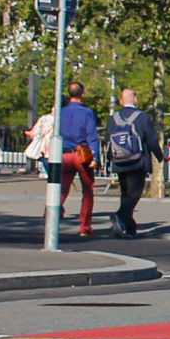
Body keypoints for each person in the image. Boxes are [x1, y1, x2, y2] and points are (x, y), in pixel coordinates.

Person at [103, 88, 163, 237]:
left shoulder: (113, 119)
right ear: (135, 100)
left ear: (121, 101)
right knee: (135, 194)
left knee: (126, 194)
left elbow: (107, 141)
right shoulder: (142, 117)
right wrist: (159, 156)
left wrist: (111, 159)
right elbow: (151, 139)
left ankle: (130, 228)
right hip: (137, 161)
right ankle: (120, 216)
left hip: (120, 162)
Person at [56, 82, 99, 237]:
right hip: (81, 155)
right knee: (87, 190)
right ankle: (84, 227)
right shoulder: (87, 113)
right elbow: (91, 136)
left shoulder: (61, 112)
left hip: (64, 154)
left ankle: (52, 216)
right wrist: (95, 156)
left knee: (61, 189)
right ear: (83, 94)